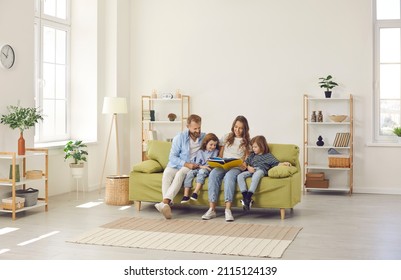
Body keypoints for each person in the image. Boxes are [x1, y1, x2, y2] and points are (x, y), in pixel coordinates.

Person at [154, 114, 205, 219]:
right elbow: (172, 157)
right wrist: (186, 164)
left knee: (180, 174)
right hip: (179, 164)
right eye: (195, 128)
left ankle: (164, 203)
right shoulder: (179, 137)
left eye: (199, 128)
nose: (198, 131)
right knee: (167, 174)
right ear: (188, 127)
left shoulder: (204, 137)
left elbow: (216, 142)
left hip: (190, 166)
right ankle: (166, 205)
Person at [201, 115, 251, 222]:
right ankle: (212, 209)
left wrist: (244, 164)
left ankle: (227, 210)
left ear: (245, 129)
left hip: (236, 166)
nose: (237, 130)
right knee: (213, 174)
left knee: (229, 177)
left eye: (241, 128)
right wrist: (216, 160)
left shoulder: (246, 141)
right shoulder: (227, 137)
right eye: (236, 127)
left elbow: (247, 157)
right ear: (233, 126)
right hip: (224, 164)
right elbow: (221, 153)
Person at [237, 135, 291, 210]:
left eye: (255, 147)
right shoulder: (252, 155)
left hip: (260, 170)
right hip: (252, 170)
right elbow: (246, 163)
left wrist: (284, 163)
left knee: (257, 175)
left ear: (262, 146)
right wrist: (249, 168)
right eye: (253, 147)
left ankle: (248, 197)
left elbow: (276, 163)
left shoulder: (268, 156)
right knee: (240, 176)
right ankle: (246, 198)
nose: (253, 149)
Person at [181, 133, 219, 203]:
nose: (213, 146)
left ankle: (195, 192)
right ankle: (186, 195)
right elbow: (197, 163)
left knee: (202, 172)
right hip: (199, 167)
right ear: (205, 144)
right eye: (211, 144)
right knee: (190, 173)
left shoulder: (215, 152)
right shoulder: (200, 152)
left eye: (215, 145)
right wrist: (201, 166)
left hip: (207, 169)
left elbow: (213, 163)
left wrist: (206, 166)